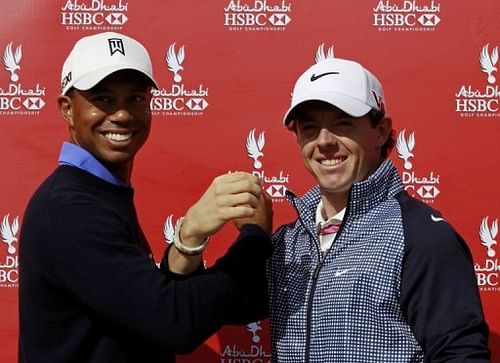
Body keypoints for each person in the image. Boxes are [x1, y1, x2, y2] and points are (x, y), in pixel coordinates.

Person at [18, 32, 272, 363]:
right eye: (103, 99)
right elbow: (175, 321)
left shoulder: (95, 193)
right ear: (67, 109)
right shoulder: (69, 208)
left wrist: (189, 238)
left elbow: (145, 304)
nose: (122, 114)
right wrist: (254, 238)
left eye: (135, 98)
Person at [266, 51, 491, 361]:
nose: (325, 141)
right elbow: (195, 317)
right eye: (309, 128)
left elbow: (460, 355)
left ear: (380, 131)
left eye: (343, 124)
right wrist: (192, 239)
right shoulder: (286, 243)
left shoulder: (422, 236)